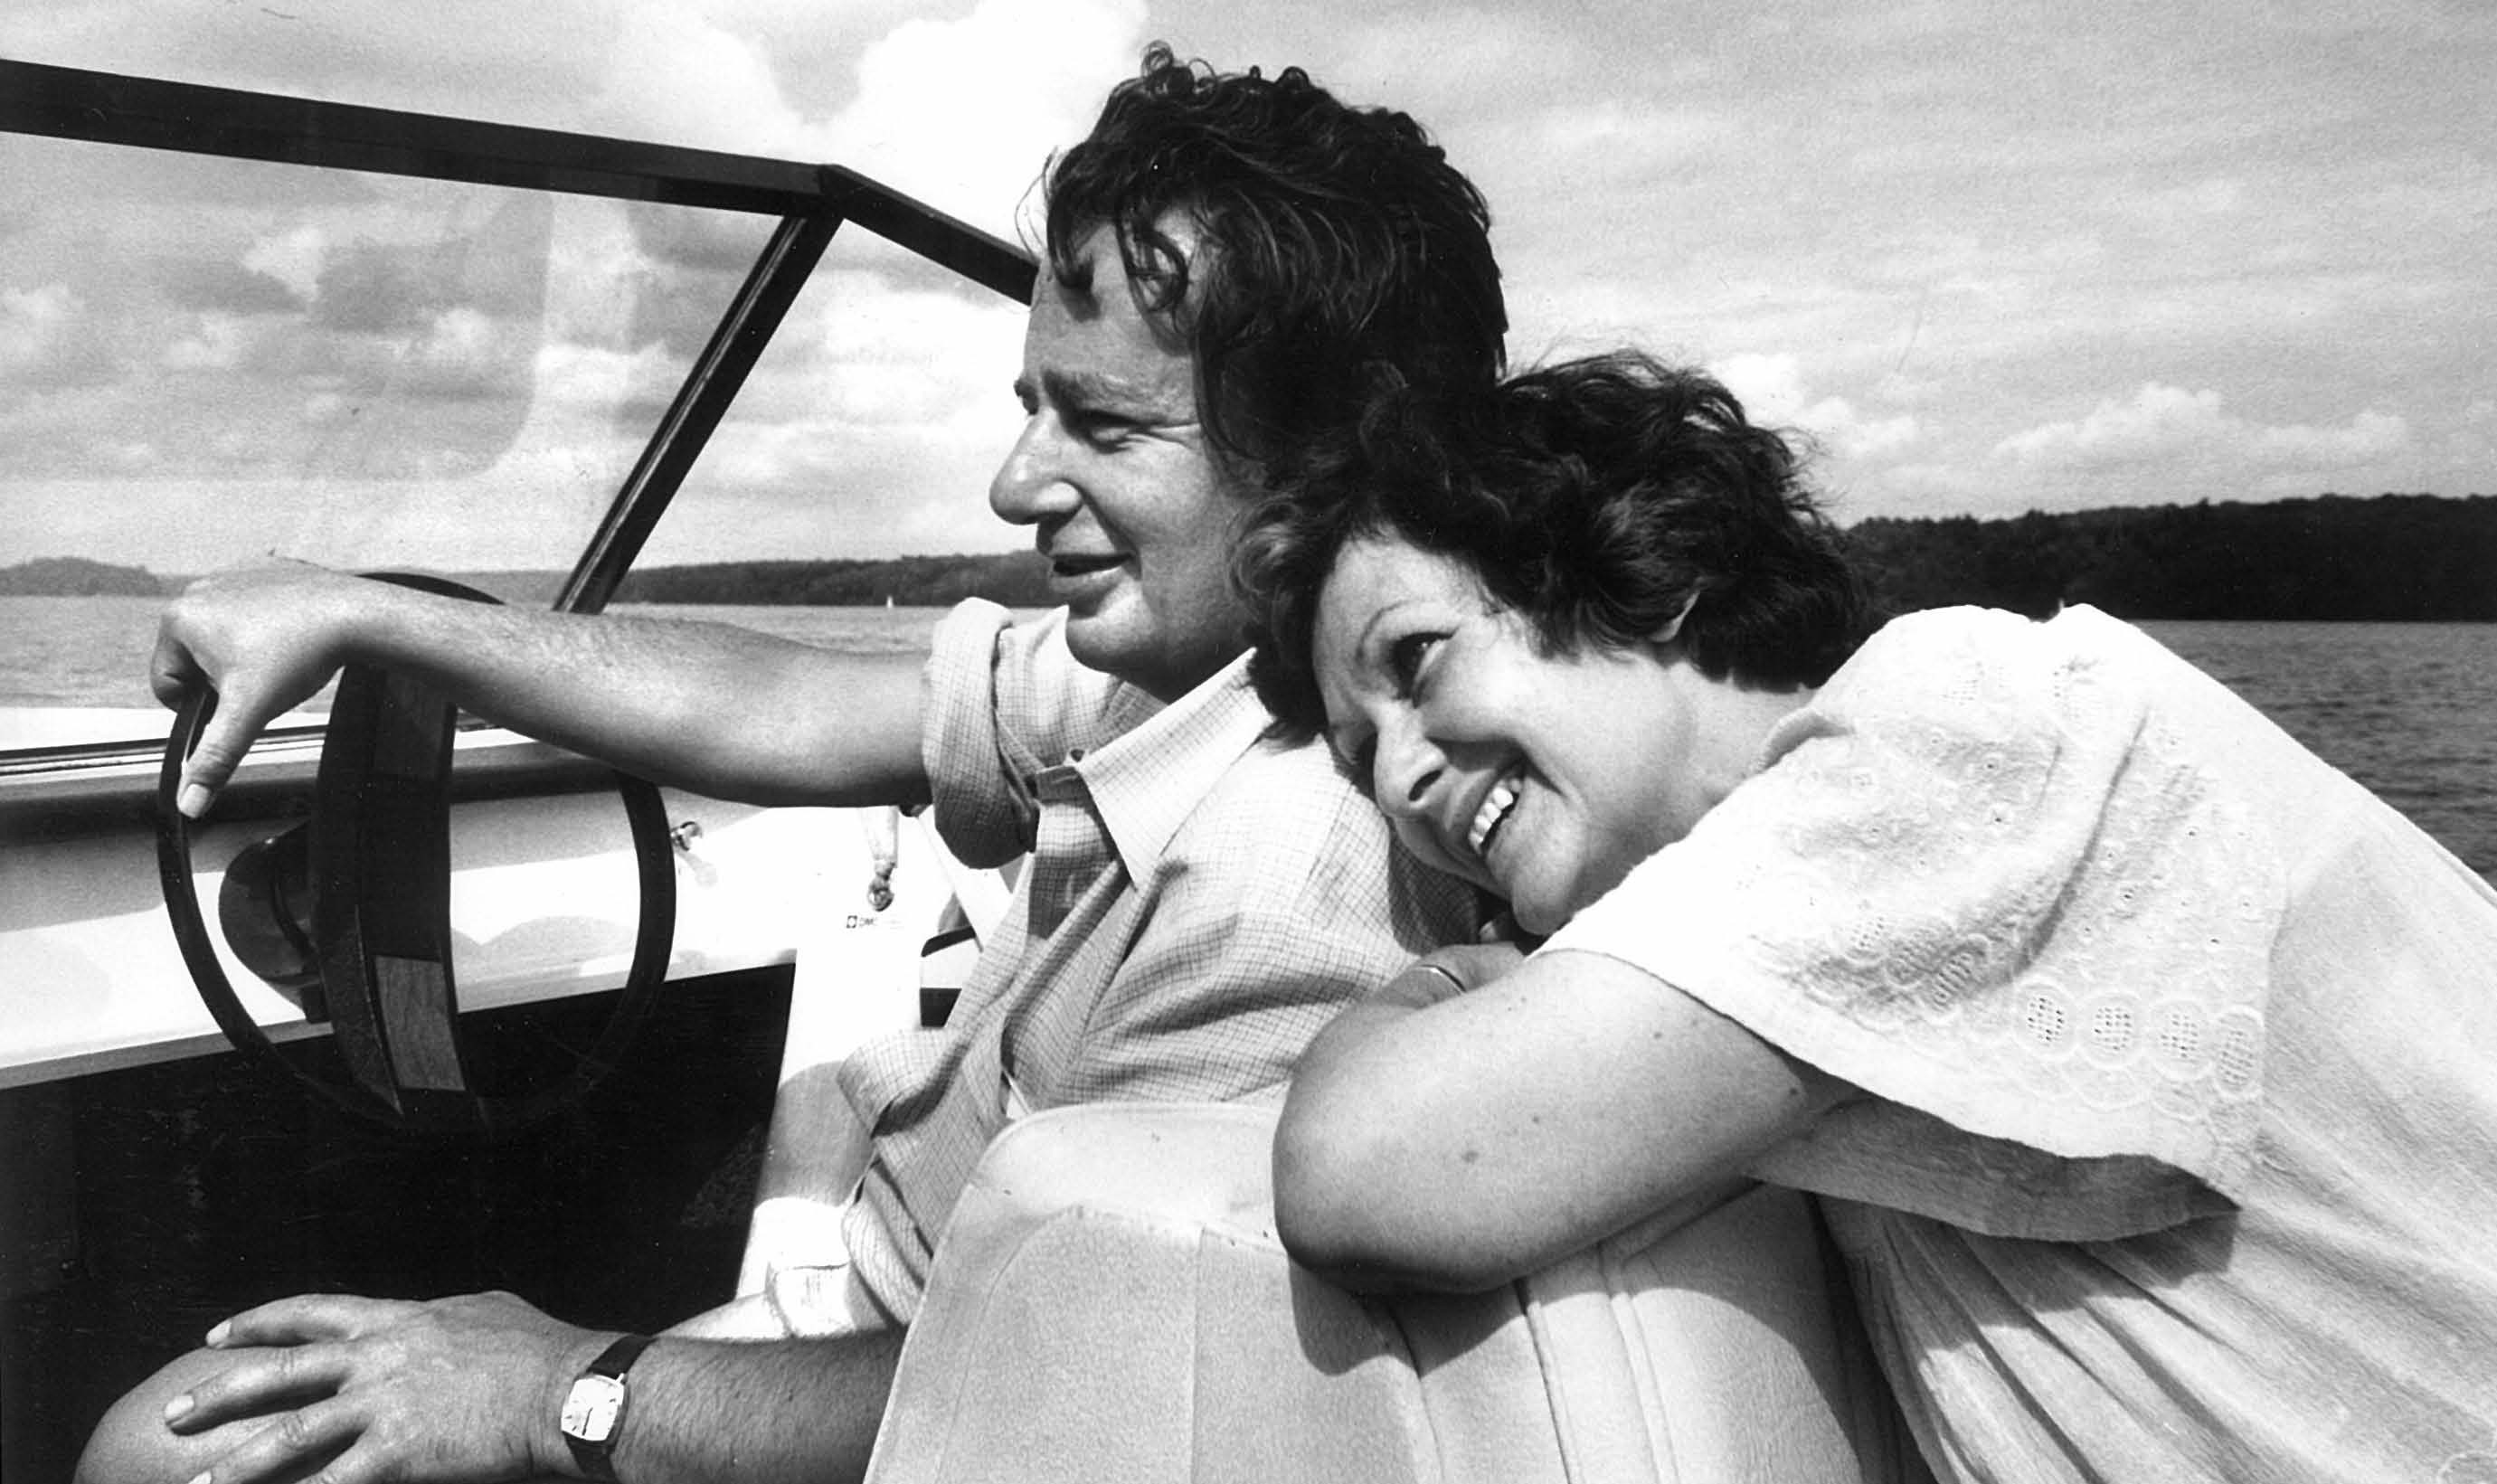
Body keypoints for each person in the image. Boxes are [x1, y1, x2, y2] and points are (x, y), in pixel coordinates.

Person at [80, 45, 1500, 1484]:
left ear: (1332, 462)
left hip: (924, 1415)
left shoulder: (1284, 891)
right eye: (1033, 406)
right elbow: (795, 703)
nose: (1013, 482)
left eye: (1106, 425)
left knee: (163, 1453)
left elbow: (1063, 1398)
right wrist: (373, 615)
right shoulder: (1196, 665)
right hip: (894, 1310)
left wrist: (546, 1389)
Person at [1235, 350, 2497, 1482]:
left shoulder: (1961, 723)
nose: (1397, 780)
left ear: (1642, 565)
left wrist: (1450, 986)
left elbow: (1360, 1173)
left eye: (1416, 659)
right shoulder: (1792, 965)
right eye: (1361, 754)